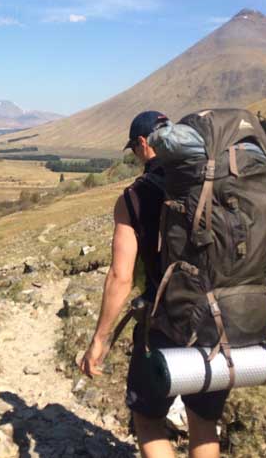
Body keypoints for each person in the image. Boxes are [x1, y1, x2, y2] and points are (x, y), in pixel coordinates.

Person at [79, 111, 228, 458]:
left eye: (133, 148)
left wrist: (99, 341)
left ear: (143, 144)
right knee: (204, 426)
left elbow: (121, 276)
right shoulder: (215, 179)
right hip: (224, 320)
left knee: (147, 420)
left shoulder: (134, 197)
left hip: (165, 324)